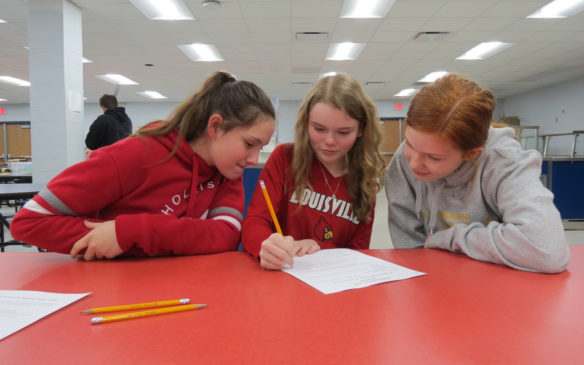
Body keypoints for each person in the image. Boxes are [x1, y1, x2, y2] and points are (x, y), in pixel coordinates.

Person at [11, 71, 275, 260]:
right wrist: (108, 237)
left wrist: (129, 232)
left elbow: (226, 235)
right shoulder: (134, 156)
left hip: (180, 290)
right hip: (107, 292)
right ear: (215, 126)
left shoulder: (227, 171)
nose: (254, 160)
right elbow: (29, 222)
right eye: (249, 144)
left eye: (260, 148)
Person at [384, 73, 570, 273]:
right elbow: (409, 247)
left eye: (433, 158)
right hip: (436, 278)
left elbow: (547, 249)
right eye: (409, 144)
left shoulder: (504, 161)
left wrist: (446, 239)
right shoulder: (403, 160)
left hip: (498, 279)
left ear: (471, 154)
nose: (414, 163)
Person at [242, 73, 385, 270]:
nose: (329, 141)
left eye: (343, 132)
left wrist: (320, 247)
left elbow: (358, 253)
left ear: (361, 130)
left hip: (332, 282)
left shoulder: (364, 180)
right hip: (281, 274)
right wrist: (264, 246)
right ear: (306, 123)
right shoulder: (285, 158)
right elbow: (255, 221)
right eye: (319, 129)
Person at [85, 94, 133, 158]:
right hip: (124, 158)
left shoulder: (103, 119)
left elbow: (90, 143)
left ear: (103, 107)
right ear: (116, 104)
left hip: (106, 158)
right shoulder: (127, 120)